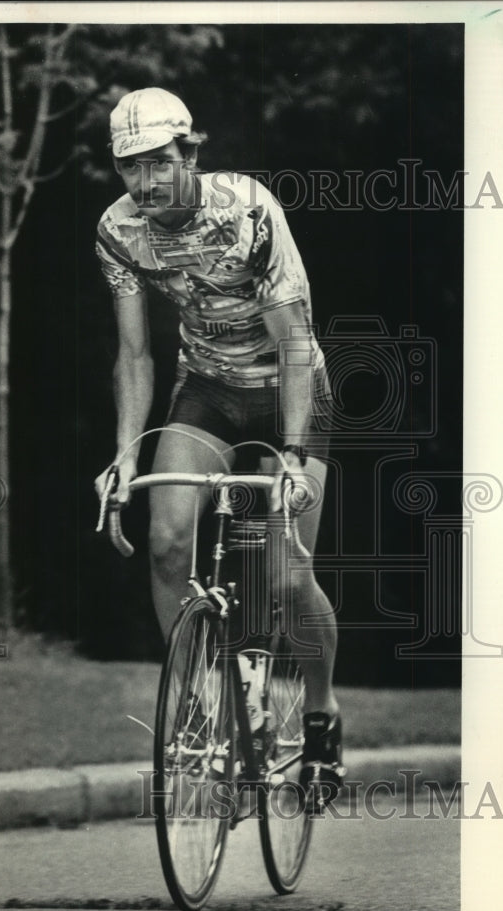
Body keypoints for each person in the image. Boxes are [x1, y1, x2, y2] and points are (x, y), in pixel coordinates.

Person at [94, 87, 342, 806]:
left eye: (158, 165)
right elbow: (134, 352)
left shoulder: (248, 210)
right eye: (129, 169)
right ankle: (208, 719)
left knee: (288, 577)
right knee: (167, 538)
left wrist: (294, 455)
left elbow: (295, 342)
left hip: (289, 390)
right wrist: (124, 454)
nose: (145, 184)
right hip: (206, 390)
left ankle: (322, 714)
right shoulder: (118, 230)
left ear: (190, 154)